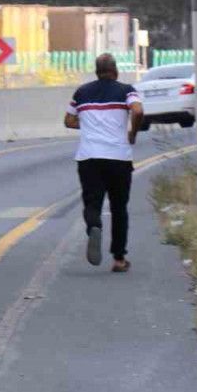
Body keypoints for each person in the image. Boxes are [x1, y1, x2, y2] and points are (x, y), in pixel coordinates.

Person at [63, 53, 144, 272]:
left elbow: (68, 120)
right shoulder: (126, 90)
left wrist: (91, 125)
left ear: (96, 71)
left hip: (89, 158)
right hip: (118, 158)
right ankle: (119, 259)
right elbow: (137, 110)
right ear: (115, 71)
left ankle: (94, 226)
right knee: (119, 208)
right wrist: (133, 133)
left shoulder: (82, 92)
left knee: (92, 204)